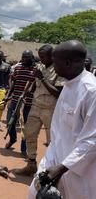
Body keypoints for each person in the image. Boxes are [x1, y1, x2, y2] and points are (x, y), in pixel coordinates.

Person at [28, 40, 96, 199]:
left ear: (67, 63)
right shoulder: (69, 85)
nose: (53, 66)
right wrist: (49, 163)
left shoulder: (90, 91)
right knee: (34, 193)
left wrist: (62, 167)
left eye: (55, 62)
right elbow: (58, 131)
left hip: (79, 170)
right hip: (54, 159)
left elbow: (92, 140)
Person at [14, 45, 64, 176]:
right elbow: (35, 84)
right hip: (36, 106)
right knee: (29, 134)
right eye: (40, 56)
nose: (41, 59)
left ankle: (52, 169)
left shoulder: (59, 69)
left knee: (52, 141)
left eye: (43, 56)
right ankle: (31, 164)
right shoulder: (40, 67)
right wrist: (26, 93)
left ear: (52, 56)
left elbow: (58, 92)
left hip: (51, 108)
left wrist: (42, 78)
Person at [4, 50, 36, 155]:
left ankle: (23, 149)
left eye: (27, 57)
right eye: (23, 57)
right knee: (10, 122)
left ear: (32, 58)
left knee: (25, 126)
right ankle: (13, 138)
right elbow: (13, 83)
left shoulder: (35, 70)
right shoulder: (17, 68)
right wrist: (8, 95)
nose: (24, 59)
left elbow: (35, 86)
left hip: (28, 103)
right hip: (15, 100)